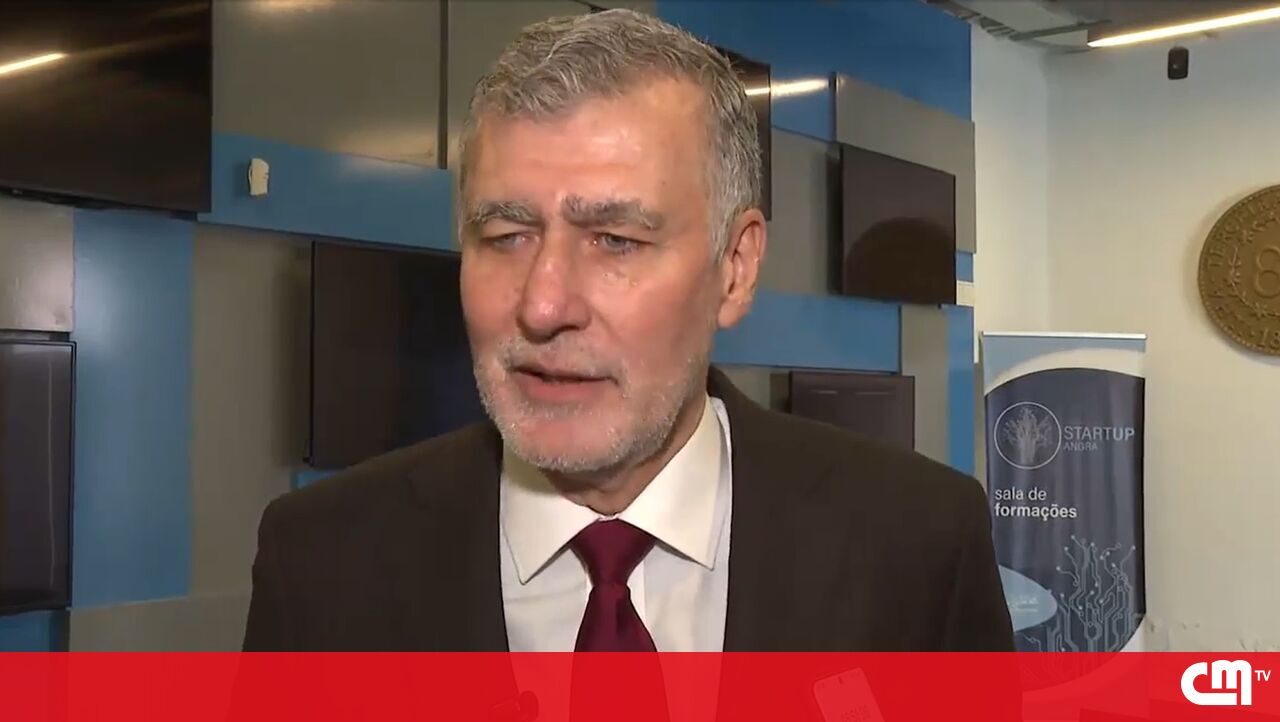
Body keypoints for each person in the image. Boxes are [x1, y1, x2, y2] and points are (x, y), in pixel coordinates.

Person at [243, 8, 1013, 654]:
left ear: (736, 268)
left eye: (616, 240)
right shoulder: (321, 563)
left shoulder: (918, 546)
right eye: (506, 236)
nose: (544, 305)